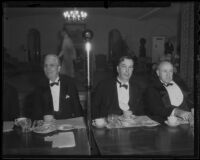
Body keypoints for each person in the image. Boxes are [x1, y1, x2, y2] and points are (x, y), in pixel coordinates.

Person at [25, 54, 83, 120]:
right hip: (48, 127)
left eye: (51, 65)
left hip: (67, 126)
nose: (48, 69)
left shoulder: (69, 84)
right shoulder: (39, 87)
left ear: (59, 68)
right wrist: (43, 118)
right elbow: (35, 114)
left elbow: (78, 110)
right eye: (45, 66)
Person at [92, 55, 145, 120]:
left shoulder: (137, 88)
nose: (127, 71)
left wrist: (135, 117)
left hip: (131, 126)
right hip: (110, 126)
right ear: (117, 69)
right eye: (124, 67)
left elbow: (141, 113)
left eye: (130, 67)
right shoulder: (104, 85)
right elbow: (93, 110)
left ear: (133, 70)